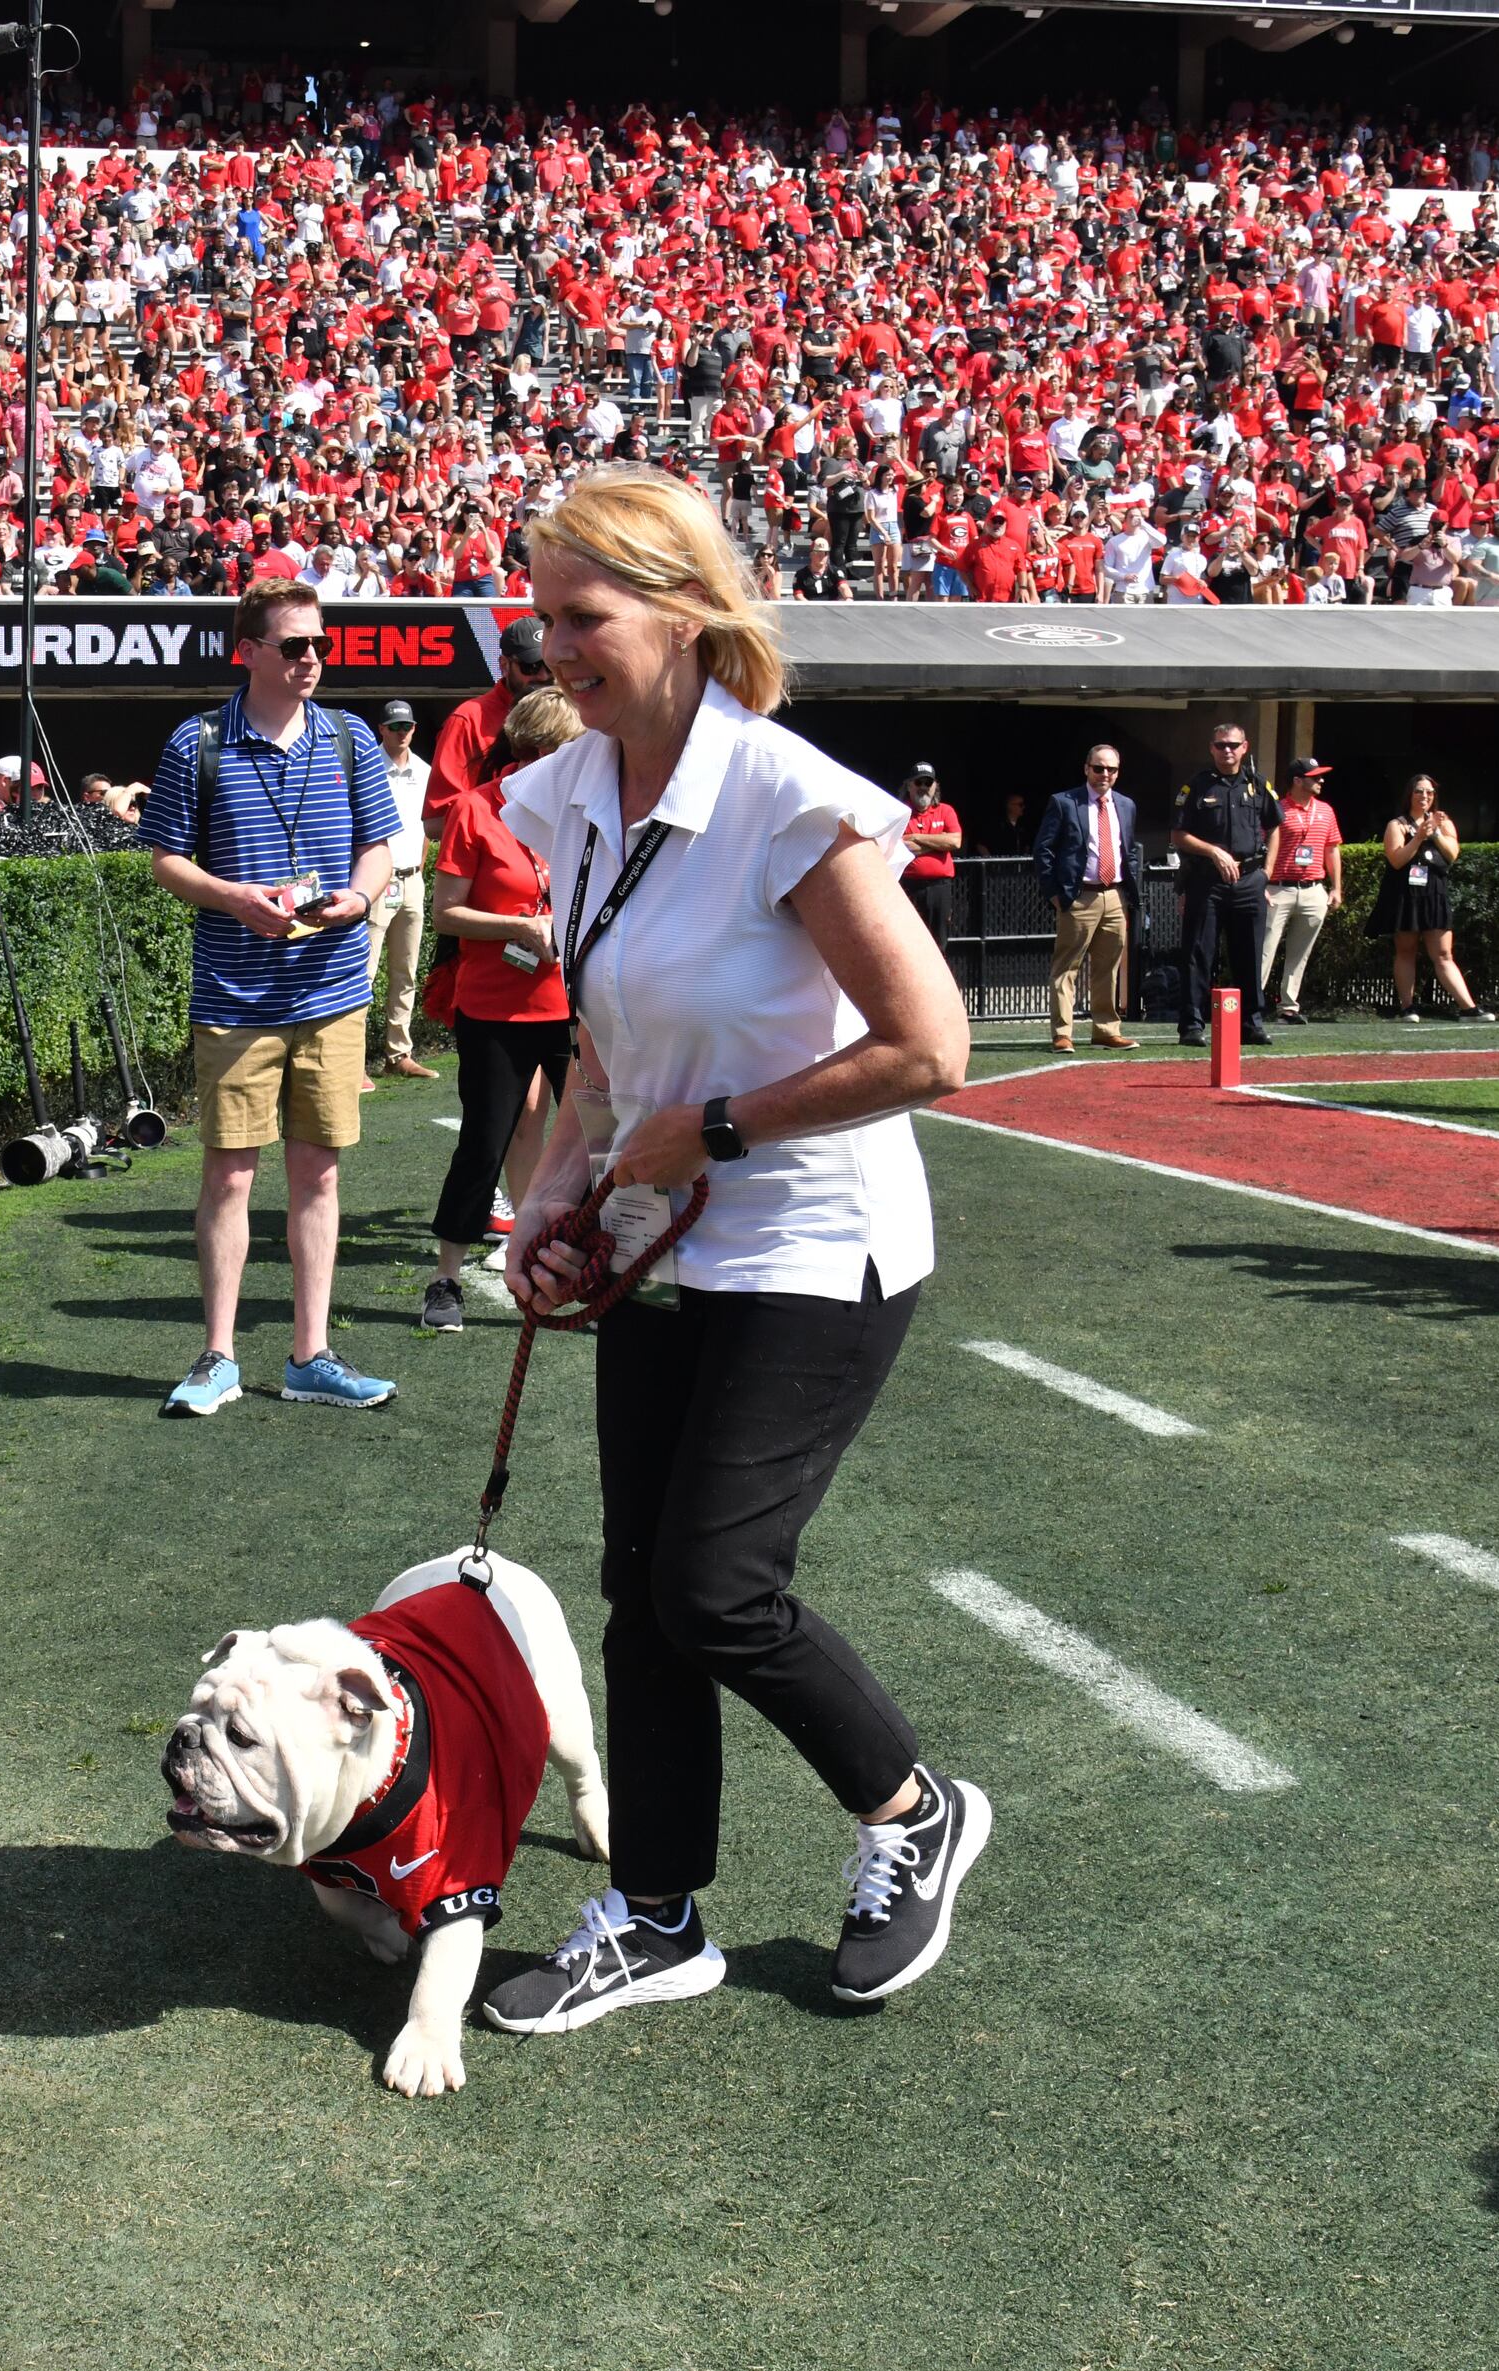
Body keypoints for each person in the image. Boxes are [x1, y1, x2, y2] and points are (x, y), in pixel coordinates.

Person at [467, 469, 990, 2030]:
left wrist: (720, 1134)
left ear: (687, 612)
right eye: (541, 617)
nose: (554, 647)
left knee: (714, 1585)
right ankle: (656, 1912)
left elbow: (934, 1048)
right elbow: (608, 1059)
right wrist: (554, 1202)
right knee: (638, 1589)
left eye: (586, 617)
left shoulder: (787, 795)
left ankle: (911, 1810)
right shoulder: (563, 798)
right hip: (665, 1246)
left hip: (817, 1244)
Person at [139, 577, 410, 1417]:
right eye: (294, 646)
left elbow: (380, 846)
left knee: (318, 1175)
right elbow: (165, 860)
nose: (313, 660)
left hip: (330, 990)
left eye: (320, 645)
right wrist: (233, 897)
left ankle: (309, 1355)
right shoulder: (196, 743)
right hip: (234, 992)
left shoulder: (350, 738)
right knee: (228, 1177)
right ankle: (217, 1356)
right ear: (248, 651)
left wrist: (362, 900)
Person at [418, 686, 584, 1332]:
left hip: (576, 1004)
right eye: (574, 748)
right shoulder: (476, 811)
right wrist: (519, 928)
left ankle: (594, 1271)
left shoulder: (587, 809)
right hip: (497, 1008)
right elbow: (448, 915)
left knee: (600, 1144)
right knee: (484, 1141)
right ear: (540, 752)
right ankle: (446, 1280)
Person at [1170, 721, 1278, 1048]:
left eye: (1233, 745)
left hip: (1249, 882)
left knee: (1249, 954)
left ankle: (1251, 1022)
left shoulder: (1258, 785)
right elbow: (1178, 834)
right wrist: (1213, 851)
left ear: (1245, 747)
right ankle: (1191, 1024)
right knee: (1198, 954)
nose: (1227, 751)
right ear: (1211, 748)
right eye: (1220, 745)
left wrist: (1267, 875)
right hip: (1207, 882)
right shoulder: (1198, 786)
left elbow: (1275, 828)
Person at [1031, 743, 1141, 1053]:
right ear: (1086, 768)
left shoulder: (1126, 805)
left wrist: (1131, 892)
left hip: (1115, 895)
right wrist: (1054, 893)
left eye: (1111, 769)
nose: (1104, 774)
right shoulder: (1064, 803)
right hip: (1079, 897)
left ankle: (1106, 1029)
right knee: (1067, 967)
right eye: (1098, 767)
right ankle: (1062, 1033)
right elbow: (1044, 850)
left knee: (1108, 966)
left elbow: (1128, 850)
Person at [424, 615, 549, 847]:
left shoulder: (576, 713)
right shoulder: (469, 719)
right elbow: (436, 822)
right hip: (498, 864)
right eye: (530, 666)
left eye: (549, 665)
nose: (543, 676)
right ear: (504, 665)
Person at [1375, 774, 1490, 1024]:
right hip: (1406, 895)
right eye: (1419, 791)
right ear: (1409, 795)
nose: (1424, 796)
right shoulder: (1397, 825)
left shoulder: (1444, 822)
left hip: (1434, 894)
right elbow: (1396, 860)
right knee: (1406, 950)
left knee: (1443, 953)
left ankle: (1468, 1008)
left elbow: (1452, 855)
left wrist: (1435, 832)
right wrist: (1417, 837)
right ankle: (1408, 1007)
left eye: (1429, 792)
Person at [368, 700, 439, 1084]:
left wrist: (417, 870)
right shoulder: (366, 769)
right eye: (394, 726)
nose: (401, 732)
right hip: (377, 882)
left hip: (411, 879)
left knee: (406, 971)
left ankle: (399, 1054)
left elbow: (426, 829)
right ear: (381, 728)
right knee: (365, 971)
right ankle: (349, 1065)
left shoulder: (426, 772)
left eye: (406, 726)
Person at [1261, 757, 1344, 1024]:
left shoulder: (1326, 811)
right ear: (1298, 781)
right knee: (1264, 949)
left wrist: (1336, 888)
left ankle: (1289, 1007)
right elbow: (1261, 849)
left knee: (1300, 953)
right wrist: (1261, 884)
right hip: (1278, 889)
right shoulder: (1276, 809)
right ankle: (1252, 1006)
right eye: (1315, 777)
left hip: (1313, 890)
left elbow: (1332, 849)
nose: (1321, 781)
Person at [897, 762, 963, 948]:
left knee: (938, 942)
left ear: (935, 786)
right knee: (909, 941)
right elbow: (900, 846)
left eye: (928, 783)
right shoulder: (900, 812)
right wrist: (938, 843)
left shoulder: (945, 811)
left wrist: (917, 837)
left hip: (939, 888)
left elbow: (954, 842)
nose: (924, 787)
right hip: (909, 887)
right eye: (919, 783)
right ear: (909, 785)